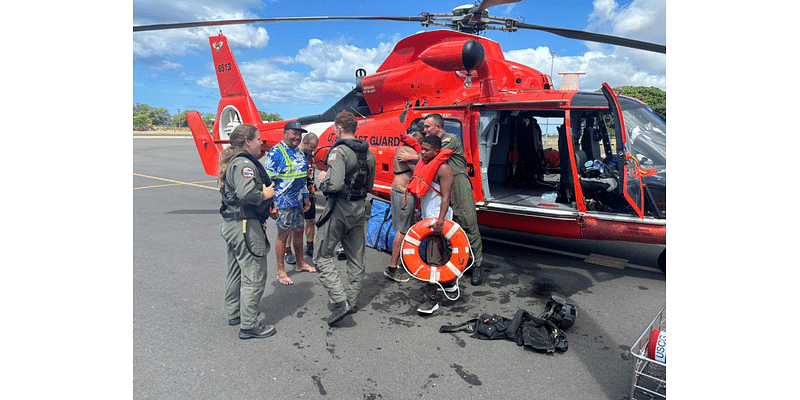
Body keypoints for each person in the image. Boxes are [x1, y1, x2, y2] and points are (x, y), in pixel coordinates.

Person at [313, 111, 376, 326]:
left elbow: (335, 184)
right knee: (356, 258)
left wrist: (323, 180)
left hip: (339, 208)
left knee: (321, 256)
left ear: (339, 128)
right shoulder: (369, 154)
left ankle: (340, 302)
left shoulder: (338, 151)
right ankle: (352, 300)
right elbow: (369, 186)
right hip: (359, 208)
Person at [218, 124, 277, 339]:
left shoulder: (233, 162)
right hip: (244, 226)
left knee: (235, 270)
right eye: (258, 138)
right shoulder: (244, 164)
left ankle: (235, 313)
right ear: (247, 142)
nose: (261, 142)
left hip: (232, 224)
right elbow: (246, 194)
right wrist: (266, 195)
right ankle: (249, 324)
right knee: (254, 274)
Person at [423, 113, 485, 285]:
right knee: (449, 226)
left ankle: (477, 265)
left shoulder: (450, 139)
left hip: (458, 184)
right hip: (442, 186)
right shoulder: (430, 142)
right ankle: (458, 263)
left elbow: (434, 156)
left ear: (438, 127)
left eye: (428, 126)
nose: (425, 130)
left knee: (468, 223)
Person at [265, 121, 316, 285]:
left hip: (297, 201)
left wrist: (306, 197)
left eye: (299, 134)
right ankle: (281, 271)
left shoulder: (300, 153)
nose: (297, 137)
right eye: (294, 133)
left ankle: (300, 263)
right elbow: (268, 181)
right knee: (283, 235)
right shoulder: (275, 153)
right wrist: (271, 204)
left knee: (300, 230)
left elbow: (302, 178)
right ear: (285, 133)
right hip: (282, 202)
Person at [413, 134, 455, 314]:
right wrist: (421, 211)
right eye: (422, 148)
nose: (422, 153)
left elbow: (446, 197)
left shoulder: (444, 169)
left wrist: (440, 220)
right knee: (443, 251)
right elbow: (427, 194)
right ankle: (450, 283)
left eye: (426, 150)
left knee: (433, 258)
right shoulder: (426, 166)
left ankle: (432, 300)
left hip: (438, 220)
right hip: (428, 216)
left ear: (437, 151)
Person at [385, 127, 424, 282]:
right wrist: (418, 157)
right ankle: (392, 268)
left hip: (398, 190)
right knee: (403, 229)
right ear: (416, 135)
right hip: (403, 193)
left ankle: (398, 263)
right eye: (422, 135)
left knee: (403, 228)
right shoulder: (408, 151)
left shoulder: (405, 149)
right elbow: (419, 171)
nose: (423, 139)